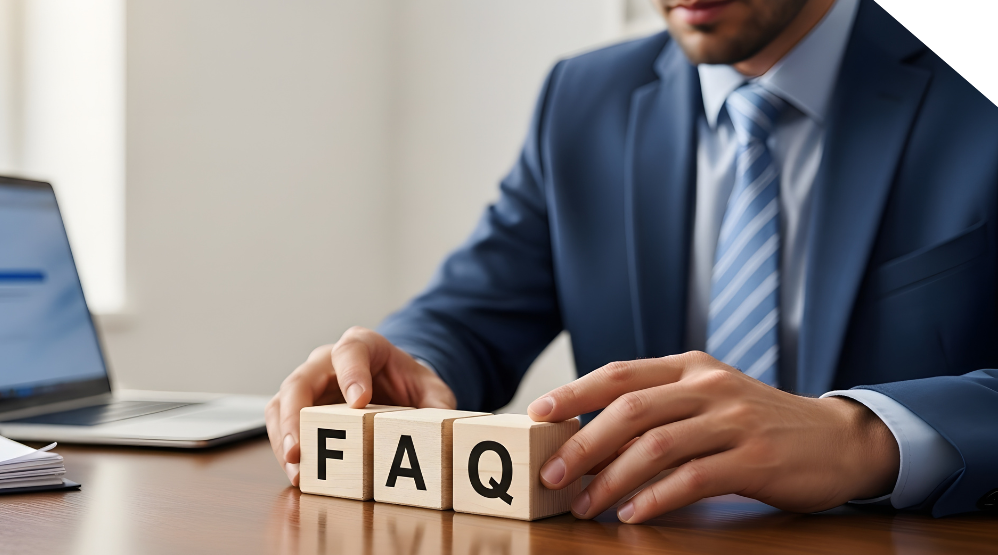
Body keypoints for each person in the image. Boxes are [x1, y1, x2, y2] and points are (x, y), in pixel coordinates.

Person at [265, 0, 998, 522]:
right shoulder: (584, 99)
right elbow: (471, 311)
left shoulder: (976, 83)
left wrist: (861, 438)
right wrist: (406, 363)